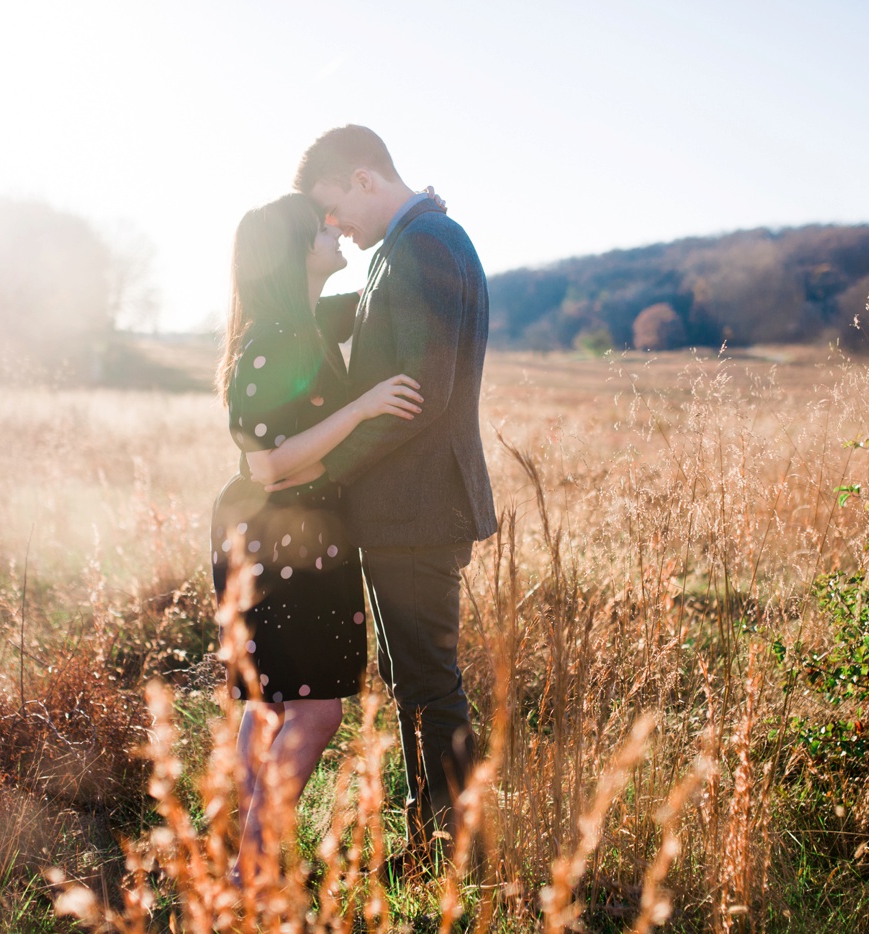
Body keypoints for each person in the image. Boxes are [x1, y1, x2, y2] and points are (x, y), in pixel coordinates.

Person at [288, 125, 498, 854]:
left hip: (418, 508)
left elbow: (425, 394)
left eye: (335, 208)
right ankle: (433, 839)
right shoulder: (405, 247)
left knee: (430, 687)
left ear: (365, 179)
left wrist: (323, 473)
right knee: (417, 684)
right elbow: (362, 328)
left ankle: (447, 849)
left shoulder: (427, 246)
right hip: (406, 510)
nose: (336, 226)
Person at [210, 192, 425, 879]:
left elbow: (378, 294)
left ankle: (244, 860)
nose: (335, 231)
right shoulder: (275, 340)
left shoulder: (302, 321)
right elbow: (267, 464)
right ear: (294, 251)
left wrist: (414, 227)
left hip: (289, 534)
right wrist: (362, 408)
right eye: (321, 227)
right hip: (285, 538)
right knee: (316, 711)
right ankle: (256, 863)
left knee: (272, 704)